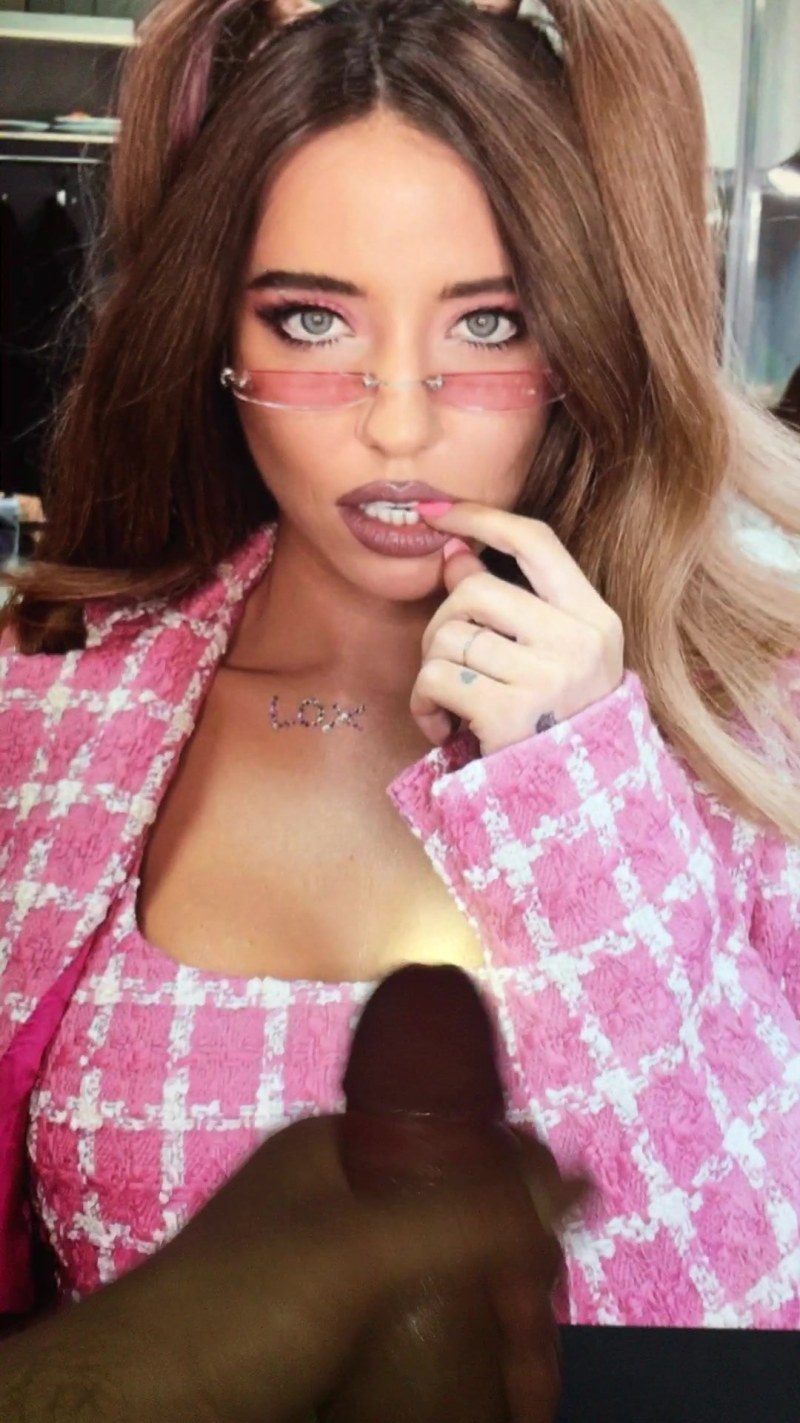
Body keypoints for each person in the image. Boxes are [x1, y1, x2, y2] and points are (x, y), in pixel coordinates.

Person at [0, 0, 799, 1357]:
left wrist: (581, 803)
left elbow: (747, 1322)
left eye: (489, 324)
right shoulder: (46, 724)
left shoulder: (755, 733)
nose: (400, 422)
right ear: (219, 342)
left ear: (584, 344)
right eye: (313, 320)